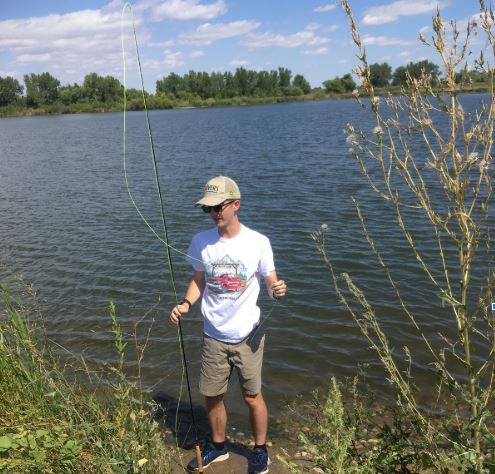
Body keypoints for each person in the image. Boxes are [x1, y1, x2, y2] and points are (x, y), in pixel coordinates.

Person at [170, 176, 287, 474]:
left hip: (248, 336)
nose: (214, 213)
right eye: (208, 209)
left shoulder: (258, 242)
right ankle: (219, 447)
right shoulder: (201, 241)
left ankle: (260, 451)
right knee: (212, 395)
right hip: (213, 335)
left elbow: (271, 280)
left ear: (236, 205)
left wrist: (276, 289)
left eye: (219, 207)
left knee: (252, 396)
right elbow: (199, 280)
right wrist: (185, 304)